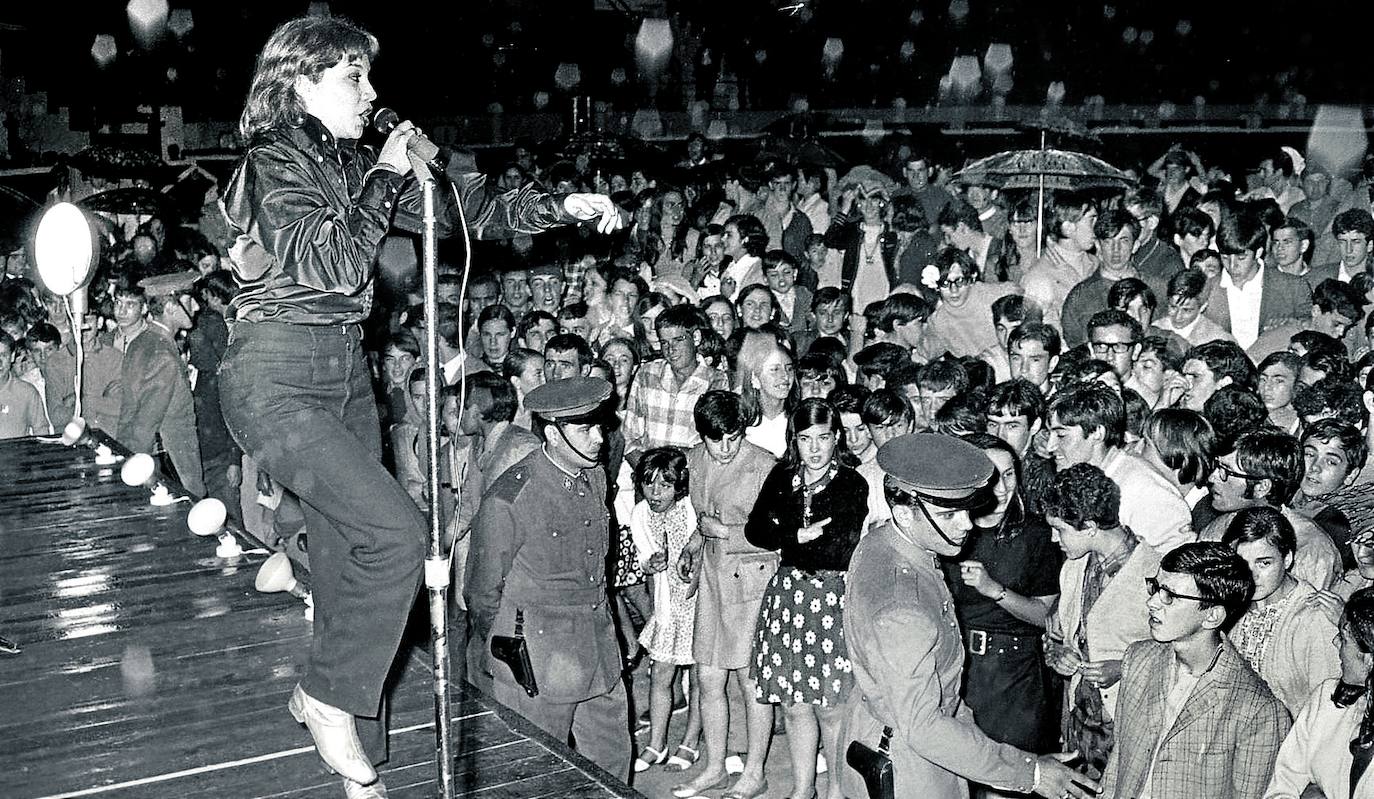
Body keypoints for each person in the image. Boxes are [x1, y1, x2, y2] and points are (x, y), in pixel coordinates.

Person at [218, 17, 622, 796]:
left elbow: (468, 210)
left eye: (369, 78)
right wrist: (383, 175)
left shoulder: (351, 162)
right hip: (275, 369)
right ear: (299, 82)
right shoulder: (272, 162)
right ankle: (329, 694)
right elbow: (334, 265)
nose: (372, 94)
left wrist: (560, 205)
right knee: (398, 535)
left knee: (346, 558)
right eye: (352, 78)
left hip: (341, 367)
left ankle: (348, 747)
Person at [841, 433, 1100, 799]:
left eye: (966, 509)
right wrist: (1031, 773)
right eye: (949, 513)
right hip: (911, 768)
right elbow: (925, 725)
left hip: (880, 730)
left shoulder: (883, 543)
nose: (966, 523)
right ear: (903, 511)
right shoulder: (904, 606)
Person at [464, 378, 631, 779]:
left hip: (598, 650)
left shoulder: (594, 477)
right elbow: (482, 591)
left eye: (600, 427)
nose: (599, 440)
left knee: (611, 763)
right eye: (585, 429)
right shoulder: (511, 497)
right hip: (538, 659)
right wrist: (499, 648)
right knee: (535, 773)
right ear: (553, 434)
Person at [746, 398, 868, 799]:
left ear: (837, 439)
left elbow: (839, 550)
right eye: (804, 439)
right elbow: (754, 530)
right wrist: (795, 536)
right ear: (793, 440)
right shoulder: (781, 476)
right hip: (788, 596)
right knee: (795, 702)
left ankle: (836, 789)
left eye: (823, 438)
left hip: (830, 599)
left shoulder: (852, 483)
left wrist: (793, 540)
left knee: (830, 705)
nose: (814, 449)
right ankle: (803, 789)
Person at [1101, 542, 1291, 799]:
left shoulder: (1257, 710)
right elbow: (1118, 763)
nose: (1152, 602)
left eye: (1170, 595)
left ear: (1212, 616)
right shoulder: (1138, 659)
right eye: (1155, 588)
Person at [672, 390, 779, 799]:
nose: (725, 447)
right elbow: (704, 518)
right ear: (702, 435)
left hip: (752, 582)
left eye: (733, 437)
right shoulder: (695, 459)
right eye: (716, 439)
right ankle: (715, 766)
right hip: (714, 581)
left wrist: (729, 535)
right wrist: (693, 545)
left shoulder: (764, 466)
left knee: (752, 683)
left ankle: (754, 772)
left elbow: (780, 538)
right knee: (708, 677)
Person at [942, 433, 1063, 761]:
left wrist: (994, 589)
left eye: (1009, 474)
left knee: (1008, 781)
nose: (1003, 486)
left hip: (1014, 674)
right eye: (992, 476)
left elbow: (1045, 616)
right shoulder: (950, 531)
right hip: (958, 667)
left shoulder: (1036, 534)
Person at [1042, 463, 1161, 778]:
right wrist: (1056, 653)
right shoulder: (1074, 567)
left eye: (1061, 529)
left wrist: (1123, 668)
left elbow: (1179, 652)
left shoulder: (1155, 573)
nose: (1054, 539)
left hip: (1127, 727)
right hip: (1079, 725)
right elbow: (1055, 633)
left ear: (1091, 526)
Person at [1222, 507, 1342, 715]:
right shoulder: (1231, 606)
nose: (1252, 576)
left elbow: (1327, 709)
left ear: (1287, 559)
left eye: (1264, 563)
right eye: (1242, 564)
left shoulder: (1315, 616)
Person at [630, 447, 701, 775]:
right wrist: (651, 562)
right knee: (660, 674)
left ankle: (691, 741)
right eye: (649, 484)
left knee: (700, 679)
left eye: (665, 485)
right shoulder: (641, 513)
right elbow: (644, 554)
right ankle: (657, 744)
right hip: (668, 608)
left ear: (680, 486)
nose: (655, 492)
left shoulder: (689, 508)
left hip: (698, 605)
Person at [1264, 587, 1374, 799]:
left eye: (1343, 638)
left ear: (1370, 658)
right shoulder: (1327, 698)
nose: (1335, 643)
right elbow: (1282, 786)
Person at [118, 273, 204, 495]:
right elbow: (146, 423)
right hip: (171, 470)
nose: (195, 307)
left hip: (150, 463)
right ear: (170, 307)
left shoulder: (141, 342)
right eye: (189, 300)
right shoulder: (163, 354)